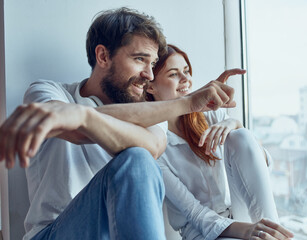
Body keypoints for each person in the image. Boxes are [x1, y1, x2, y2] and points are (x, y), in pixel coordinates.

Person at [0, 8, 244, 240]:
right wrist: (74, 117)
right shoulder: (49, 91)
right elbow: (68, 127)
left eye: (152, 63)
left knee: (138, 158)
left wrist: (83, 117)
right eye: (140, 59)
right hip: (54, 233)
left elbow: (152, 146)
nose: (149, 74)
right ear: (103, 56)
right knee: (136, 159)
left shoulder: (151, 115)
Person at [146, 44, 295, 240]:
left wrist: (236, 124)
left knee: (240, 135)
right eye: (173, 74)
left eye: (186, 71)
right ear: (151, 86)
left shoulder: (210, 116)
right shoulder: (154, 141)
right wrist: (248, 230)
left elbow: (264, 167)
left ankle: (274, 232)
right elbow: (196, 214)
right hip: (201, 231)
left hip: (238, 212)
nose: (185, 79)